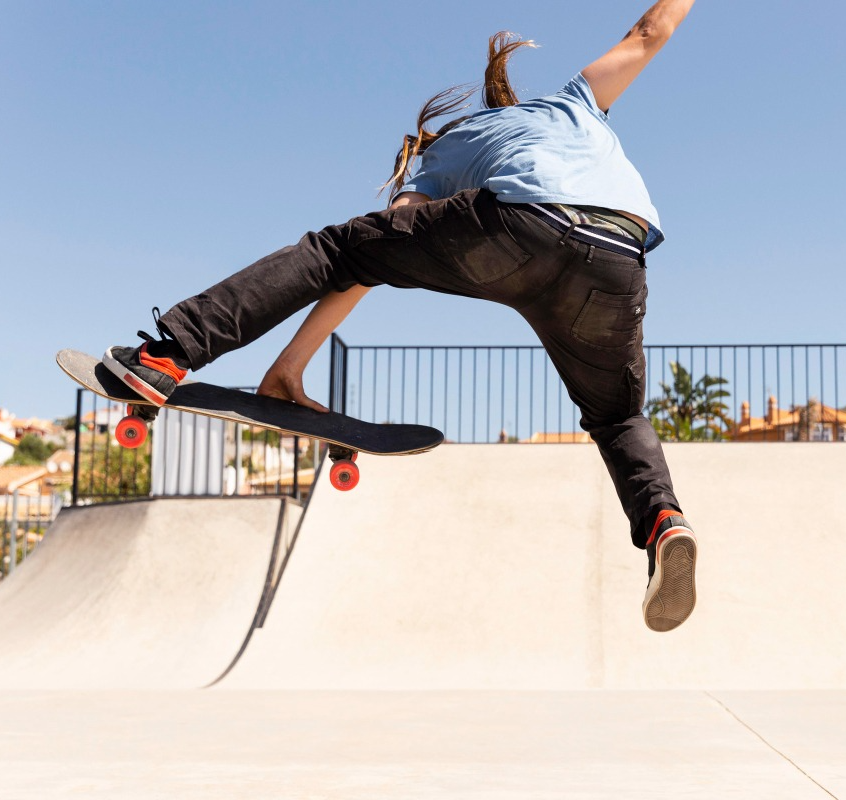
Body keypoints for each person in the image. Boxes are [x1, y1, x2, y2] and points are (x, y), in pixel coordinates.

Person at [103, 0, 699, 632]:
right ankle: (663, 521)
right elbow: (651, 30)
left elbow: (374, 253)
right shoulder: (576, 102)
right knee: (616, 415)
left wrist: (290, 366)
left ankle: (169, 354)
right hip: (618, 256)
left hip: (518, 229)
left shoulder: (446, 152)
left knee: (339, 248)